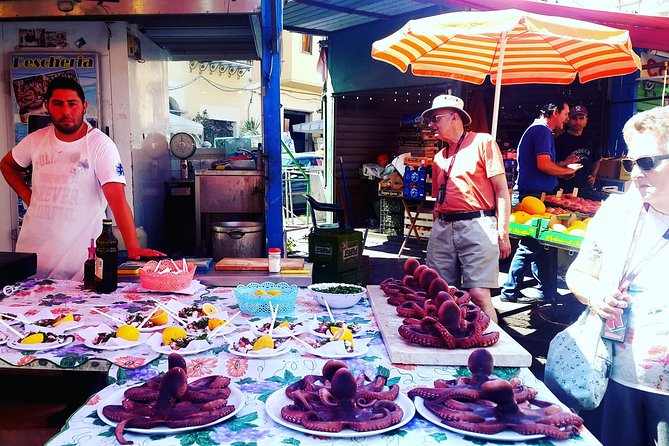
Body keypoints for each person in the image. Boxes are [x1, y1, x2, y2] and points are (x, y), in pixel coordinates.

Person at [565, 105, 669, 446]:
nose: (635, 173)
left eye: (648, 162)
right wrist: (596, 297)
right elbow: (578, 273)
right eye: (630, 163)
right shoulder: (616, 212)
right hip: (611, 379)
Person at [0, 76, 164, 280]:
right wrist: (28, 196)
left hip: (78, 264)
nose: (66, 111)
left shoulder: (100, 145)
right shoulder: (35, 140)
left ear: (84, 106)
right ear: (47, 106)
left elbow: (118, 201)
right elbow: (7, 165)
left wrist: (133, 247)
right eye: (58, 104)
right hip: (32, 256)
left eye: (72, 104)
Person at [422, 94, 511, 323]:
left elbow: (502, 190)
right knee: (440, 292)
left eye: (435, 119)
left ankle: (492, 349)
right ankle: (453, 340)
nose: (431, 125)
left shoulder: (483, 142)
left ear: (454, 117)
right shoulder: (440, 157)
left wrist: (503, 233)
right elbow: (438, 198)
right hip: (443, 226)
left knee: (479, 294)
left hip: (477, 224)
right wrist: (437, 226)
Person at [500, 100, 582, 304]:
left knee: (540, 244)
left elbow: (542, 165)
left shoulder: (539, 130)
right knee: (530, 244)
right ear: (554, 112)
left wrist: (562, 165)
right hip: (531, 194)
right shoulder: (542, 131)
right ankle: (509, 291)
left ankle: (545, 290)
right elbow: (544, 165)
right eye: (565, 114)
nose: (567, 118)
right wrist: (567, 171)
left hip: (534, 193)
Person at [555, 104, 602, 196]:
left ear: (586, 120)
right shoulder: (559, 141)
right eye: (574, 118)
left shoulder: (592, 139)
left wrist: (593, 175)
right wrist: (564, 164)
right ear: (568, 119)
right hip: (564, 188)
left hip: (586, 187)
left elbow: (597, 159)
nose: (578, 122)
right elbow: (553, 164)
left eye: (581, 118)